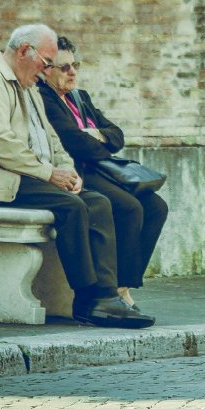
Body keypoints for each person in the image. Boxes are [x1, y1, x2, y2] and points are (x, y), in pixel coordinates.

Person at [0, 24, 154, 328]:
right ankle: (87, 298)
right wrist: (49, 173)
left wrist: (67, 170)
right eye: (46, 63)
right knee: (72, 207)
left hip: (27, 176)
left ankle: (106, 296)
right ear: (23, 52)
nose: (46, 72)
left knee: (98, 203)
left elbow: (52, 140)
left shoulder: (28, 85)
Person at [38, 35, 168, 311]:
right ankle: (116, 291)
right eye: (64, 67)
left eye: (75, 65)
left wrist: (96, 134)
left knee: (156, 207)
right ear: (46, 70)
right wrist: (98, 139)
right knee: (129, 207)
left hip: (102, 169)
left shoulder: (79, 98)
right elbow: (74, 143)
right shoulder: (44, 99)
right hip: (78, 172)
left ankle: (125, 283)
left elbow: (117, 136)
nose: (72, 72)